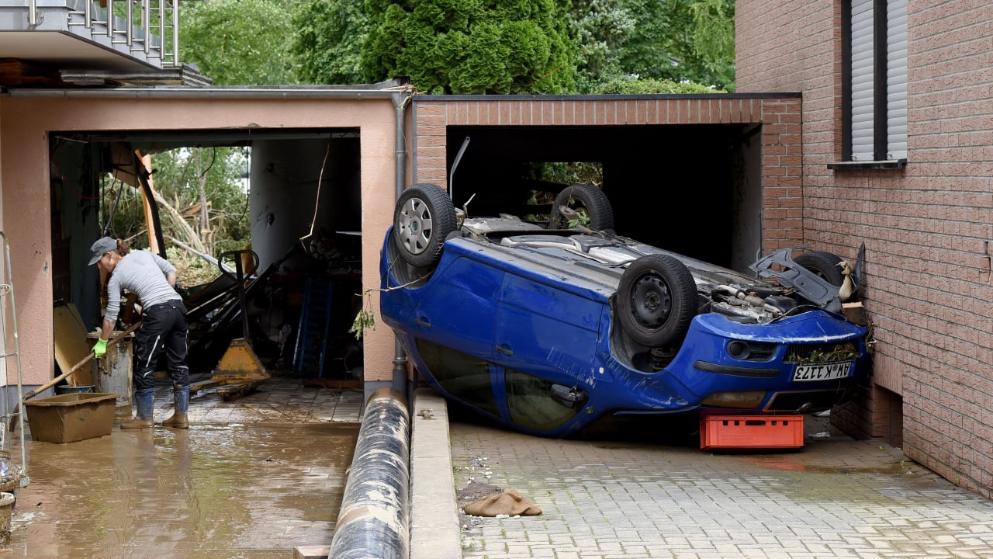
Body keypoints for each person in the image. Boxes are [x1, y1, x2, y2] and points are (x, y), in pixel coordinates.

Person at [89, 237, 190, 430]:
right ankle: (181, 416)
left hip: (158, 313)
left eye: (99, 262)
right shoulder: (144, 254)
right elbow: (171, 271)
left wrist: (102, 342)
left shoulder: (116, 277)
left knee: (145, 364)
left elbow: (111, 317)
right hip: (177, 307)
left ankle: (144, 418)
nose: (99, 267)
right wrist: (165, 295)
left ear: (109, 255)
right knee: (179, 363)